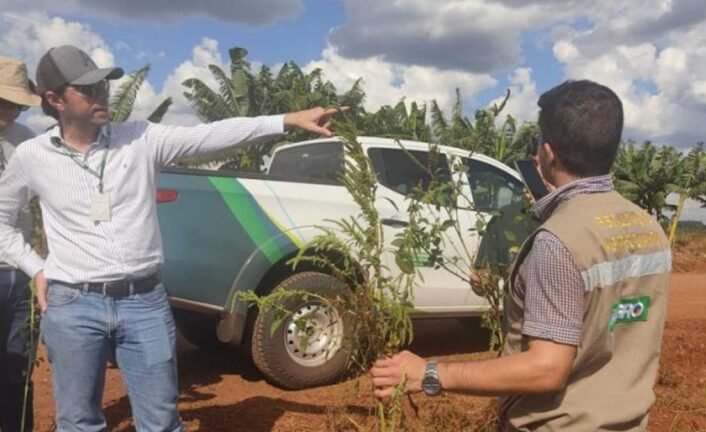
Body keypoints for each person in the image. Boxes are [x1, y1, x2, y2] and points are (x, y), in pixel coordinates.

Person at [0, 45, 344, 432]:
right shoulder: (32, 156)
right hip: (73, 305)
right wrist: (37, 268)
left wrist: (286, 119)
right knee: (78, 422)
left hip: (143, 302)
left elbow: (209, 136)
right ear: (54, 100)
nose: (102, 94)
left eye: (103, 85)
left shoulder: (140, 139)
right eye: (87, 89)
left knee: (161, 423)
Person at [370, 80, 671, 431]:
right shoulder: (649, 227)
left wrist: (429, 373)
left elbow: (546, 369)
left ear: (548, 152)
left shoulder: (559, 240)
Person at [0, 56, 41, 432]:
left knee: (17, 371)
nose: (10, 111)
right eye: (2, 102)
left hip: (21, 272)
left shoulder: (27, 140)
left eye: (14, 103)